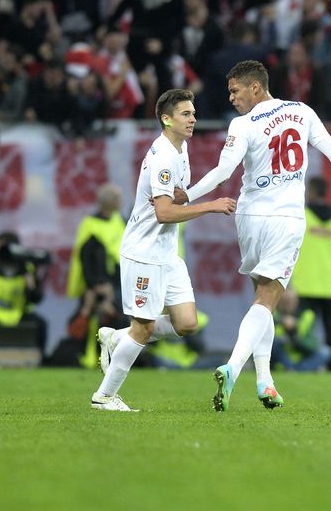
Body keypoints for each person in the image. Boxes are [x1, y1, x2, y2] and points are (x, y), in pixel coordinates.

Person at [183, 60, 331, 412]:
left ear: (255, 87)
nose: (231, 98)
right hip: (285, 216)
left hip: (249, 216)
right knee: (267, 300)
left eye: (235, 90)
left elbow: (222, 173)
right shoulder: (301, 112)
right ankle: (233, 367)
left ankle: (265, 382)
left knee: (260, 299)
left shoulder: (242, 124)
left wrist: (186, 195)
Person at [90, 89, 237, 411]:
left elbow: (175, 197)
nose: (194, 119)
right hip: (144, 253)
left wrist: (188, 195)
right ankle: (104, 396)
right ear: (166, 119)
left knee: (186, 324)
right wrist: (209, 205)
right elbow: (164, 213)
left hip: (166, 254)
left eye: (194, 113)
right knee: (142, 328)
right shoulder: (163, 157)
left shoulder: (179, 150)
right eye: (186, 114)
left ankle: (117, 338)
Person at [66, 183, 126, 368]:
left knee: (119, 321)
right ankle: (85, 357)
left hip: (118, 282)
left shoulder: (119, 220)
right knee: (90, 321)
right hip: (96, 285)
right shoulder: (90, 224)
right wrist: (94, 286)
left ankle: (114, 359)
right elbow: (85, 259)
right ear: (110, 202)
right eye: (117, 198)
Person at [293, 177, 331, 370]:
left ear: (312, 192)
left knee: (304, 327)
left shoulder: (304, 215)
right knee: (329, 328)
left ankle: (304, 363)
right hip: (330, 282)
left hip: (305, 281)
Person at [0, 232, 48, 355]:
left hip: (18, 313)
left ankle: (39, 358)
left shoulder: (27, 269)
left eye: (3, 247)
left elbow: (36, 298)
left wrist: (30, 286)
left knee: (41, 324)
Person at [271, 287, 331, 372]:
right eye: (285, 301)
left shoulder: (307, 315)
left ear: (297, 301)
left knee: (325, 352)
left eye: (290, 301)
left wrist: (295, 336)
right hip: (281, 357)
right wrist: (281, 322)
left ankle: (295, 369)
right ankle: (293, 368)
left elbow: (312, 345)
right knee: (273, 342)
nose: (288, 304)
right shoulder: (273, 315)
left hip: (300, 354)